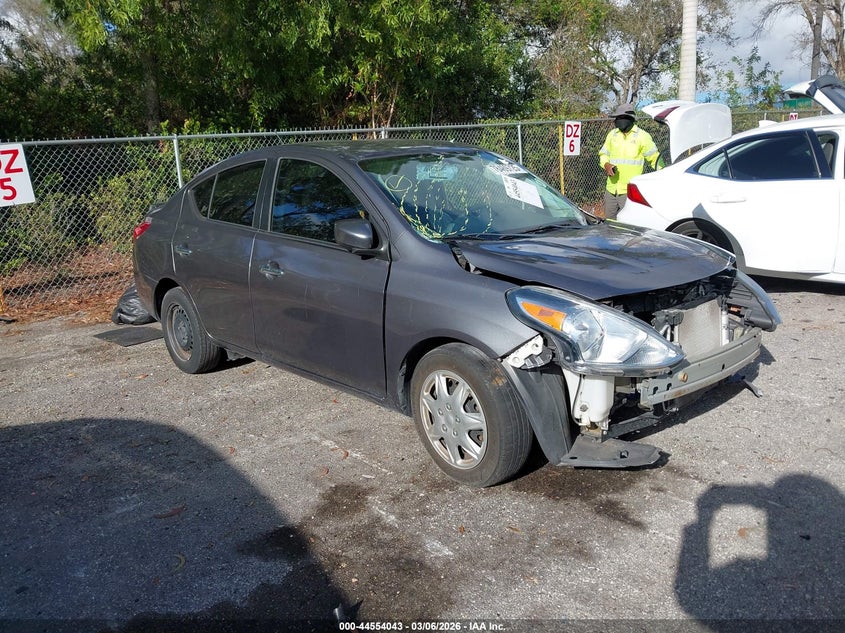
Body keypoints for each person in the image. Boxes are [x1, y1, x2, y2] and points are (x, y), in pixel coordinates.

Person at [598, 103, 663, 219]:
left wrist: (665, 175)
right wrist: (606, 164)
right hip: (611, 189)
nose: (617, 121)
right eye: (616, 118)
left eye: (620, 118)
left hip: (629, 191)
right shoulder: (612, 135)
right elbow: (603, 154)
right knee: (609, 225)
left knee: (628, 226)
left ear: (630, 119)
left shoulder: (642, 136)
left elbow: (655, 160)